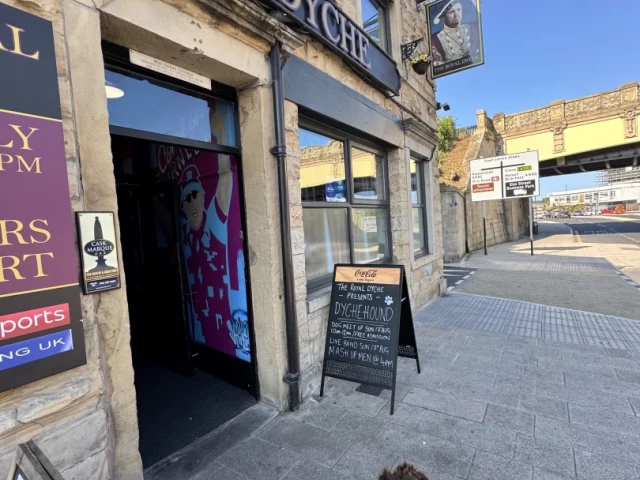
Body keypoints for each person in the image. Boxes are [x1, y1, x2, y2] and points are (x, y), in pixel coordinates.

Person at [430, 0, 480, 66]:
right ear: (443, 17)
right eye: (452, 12)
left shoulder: (471, 29)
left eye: (459, 10)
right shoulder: (436, 39)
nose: (457, 14)